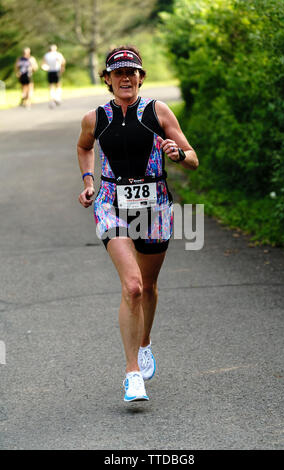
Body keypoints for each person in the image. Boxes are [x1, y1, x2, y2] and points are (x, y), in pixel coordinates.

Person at [77, 46, 198, 403]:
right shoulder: (95, 118)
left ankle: (144, 343)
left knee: (147, 286)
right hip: (111, 205)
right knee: (131, 286)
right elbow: (84, 147)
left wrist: (178, 154)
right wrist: (88, 181)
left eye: (132, 72)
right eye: (118, 72)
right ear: (108, 79)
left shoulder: (158, 111)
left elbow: (193, 158)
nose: (126, 78)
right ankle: (132, 374)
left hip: (155, 208)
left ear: (141, 77)